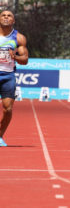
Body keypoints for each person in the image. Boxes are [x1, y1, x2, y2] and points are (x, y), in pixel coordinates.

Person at [0, 9, 29, 147]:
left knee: (8, 109)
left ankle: (0, 136)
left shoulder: (19, 38)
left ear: (13, 20)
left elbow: (25, 59)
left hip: (8, 76)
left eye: (9, 16)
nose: (6, 17)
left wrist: (15, 57)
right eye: (3, 15)